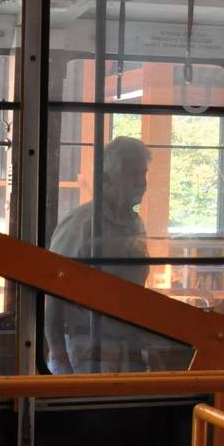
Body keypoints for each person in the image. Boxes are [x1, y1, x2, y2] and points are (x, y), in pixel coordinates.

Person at [44, 136, 155, 373]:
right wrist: (57, 351)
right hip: (87, 346)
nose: (141, 182)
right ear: (106, 179)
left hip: (128, 345)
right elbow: (52, 287)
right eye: (132, 174)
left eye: (142, 173)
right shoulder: (82, 223)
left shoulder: (136, 225)